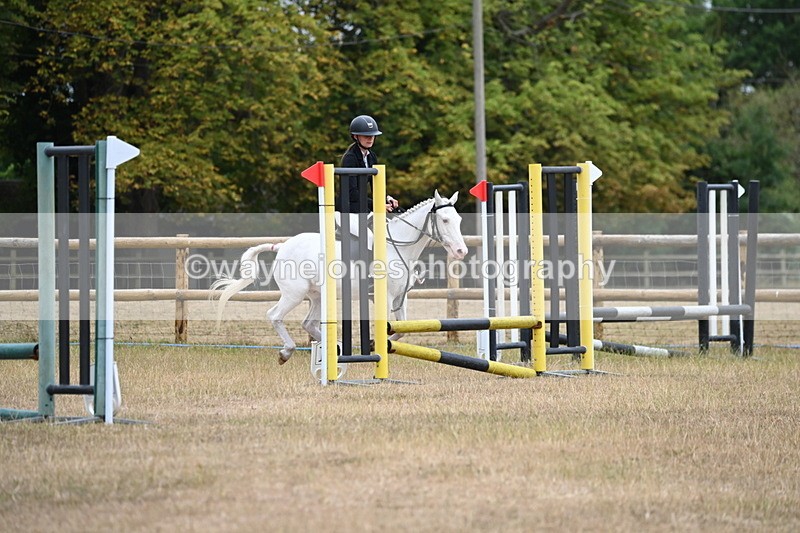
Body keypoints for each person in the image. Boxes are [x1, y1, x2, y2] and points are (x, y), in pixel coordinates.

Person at [338, 114, 399, 213]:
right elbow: (352, 193)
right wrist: (377, 205)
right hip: (350, 206)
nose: (370, 139)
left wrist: (387, 198)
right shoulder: (350, 158)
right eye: (366, 136)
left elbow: (376, 185)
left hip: (363, 203)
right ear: (355, 136)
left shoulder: (372, 156)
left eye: (372, 136)